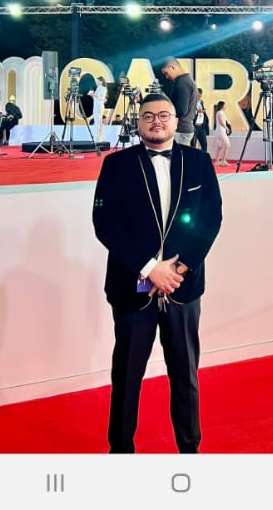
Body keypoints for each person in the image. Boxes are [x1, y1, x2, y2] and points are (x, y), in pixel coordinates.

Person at [92, 93, 222, 454]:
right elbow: (105, 223)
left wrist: (177, 270)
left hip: (183, 288)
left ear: (175, 121)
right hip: (132, 288)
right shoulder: (116, 165)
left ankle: (189, 450)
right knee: (127, 376)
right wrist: (150, 268)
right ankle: (120, 450)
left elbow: (210, 219)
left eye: (164, 115)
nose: (156, 121)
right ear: (138, 122)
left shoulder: (198, 162)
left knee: (185, 375)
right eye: (148, 116)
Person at [161, 58, 197, 146]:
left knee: (174, 154)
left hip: (180, 130)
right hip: (185, 128)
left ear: (173, 67)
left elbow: (181, 110)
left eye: (166, 73)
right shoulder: (187, 80)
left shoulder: (182, 82)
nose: (166, 77)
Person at [89, 76, 108, 142]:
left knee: (98, 122)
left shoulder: (104, 88)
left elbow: (101, 98)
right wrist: (92, 95)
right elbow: (95, 98)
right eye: (96, 81)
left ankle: (97, 138)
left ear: (101, 81)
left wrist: (94, 94)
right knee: (98, 122)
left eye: (97, 81)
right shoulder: (98, 88)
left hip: (99, 106)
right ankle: (100, 137)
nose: (96, 82)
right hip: (96, 105)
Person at [214, 100, 231, 165]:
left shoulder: (219, 112)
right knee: (227, 145)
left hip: (219, 131)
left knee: (220, 146)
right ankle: (223, 160)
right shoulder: (220, 113)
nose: (226, 106)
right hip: (221, 131)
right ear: (222, 106)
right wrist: (226, 128)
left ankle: (217, 161)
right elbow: (221, 121)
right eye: (225, 105)